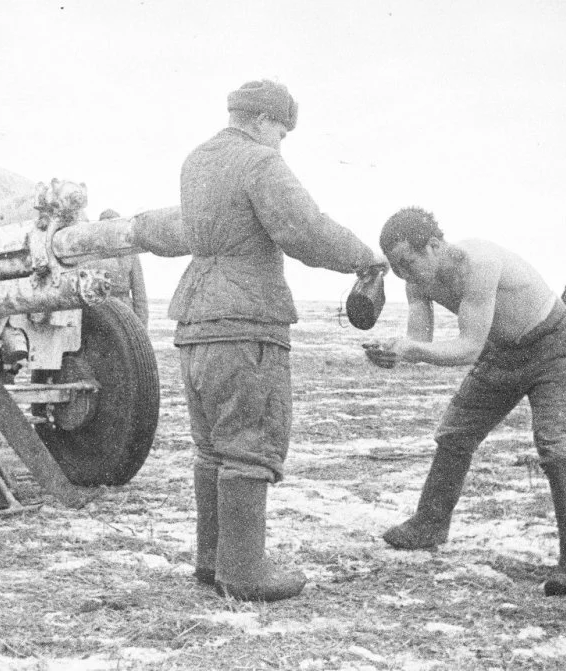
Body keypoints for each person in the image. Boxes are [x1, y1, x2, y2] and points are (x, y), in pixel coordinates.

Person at [135, 79, 389, 602]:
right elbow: (303, 229)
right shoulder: (260, 162)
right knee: (250, 445)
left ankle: (213, 563)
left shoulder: (196, 161)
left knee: (212, 448)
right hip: (245, 321)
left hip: (196, 323)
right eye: (281, 129)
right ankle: (245, 573)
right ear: (261, 120)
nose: (282, 141)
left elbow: (189, 229)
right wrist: (363, 257)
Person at [364, 207, 566, 597]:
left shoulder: (479, 263)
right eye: (397, 267)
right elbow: (421, 338)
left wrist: (412, 351)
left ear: (435, 246)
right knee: (455, 433)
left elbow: (469, 347)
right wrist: (395, 352)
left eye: (408, 262)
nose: (405, 274)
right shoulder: (416, 278)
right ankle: (430, 525)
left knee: (558, 448)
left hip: (555, 346)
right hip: (502, 352)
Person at [97, 209, 149, 328]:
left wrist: (142, 327)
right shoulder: (91, 254)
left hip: (125, 312)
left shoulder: (130, 254)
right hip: (99, 312)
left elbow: (139, 294)